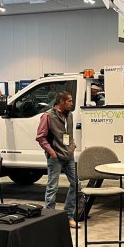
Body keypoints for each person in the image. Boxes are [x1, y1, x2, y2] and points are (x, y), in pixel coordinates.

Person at [37, 91, 78, 228]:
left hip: (69, 155)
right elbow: (40, 137)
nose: (71, 103)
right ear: (61, 102)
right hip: (55, 157)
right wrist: (52, 152)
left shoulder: (70, 115)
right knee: (52, 187)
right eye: (69, 101)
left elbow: (68, 134)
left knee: (76, 184)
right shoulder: (48, 116)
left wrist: (72, 145)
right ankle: (50, 218)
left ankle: (69, 216)